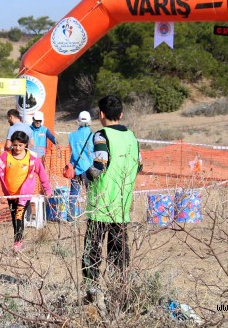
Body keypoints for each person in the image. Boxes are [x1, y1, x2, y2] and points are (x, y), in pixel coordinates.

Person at [82, 95, 142, 309]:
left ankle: (92, 293)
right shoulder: (132, 137)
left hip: (100, 205)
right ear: (122, 114)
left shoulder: (101, 135)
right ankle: (120, 293)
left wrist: (82, 177)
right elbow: (139, 166)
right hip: (122, 207)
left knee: (92, 251)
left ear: (101, 114)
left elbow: (99, 166)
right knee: (119, 253)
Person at [0, 131, 52, 252]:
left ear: (25, 145)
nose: (17, 148)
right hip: (10, 194)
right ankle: (19, 239)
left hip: (25, 194)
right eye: (15, 145)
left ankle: (17, 244)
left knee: (19, 216)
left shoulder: (32, 159)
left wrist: (48, 189)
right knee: (14, 217)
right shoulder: (5, 156)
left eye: (20, 145)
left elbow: (42, 174)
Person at [67, 111, 94, 217]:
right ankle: (92, 216)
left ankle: (71, 217)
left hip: (76, 169)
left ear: (78, 121)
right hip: (90, 171)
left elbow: (71, 151)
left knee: (73, 195)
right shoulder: (93, 136)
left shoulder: (72, 136)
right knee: (92, 195)